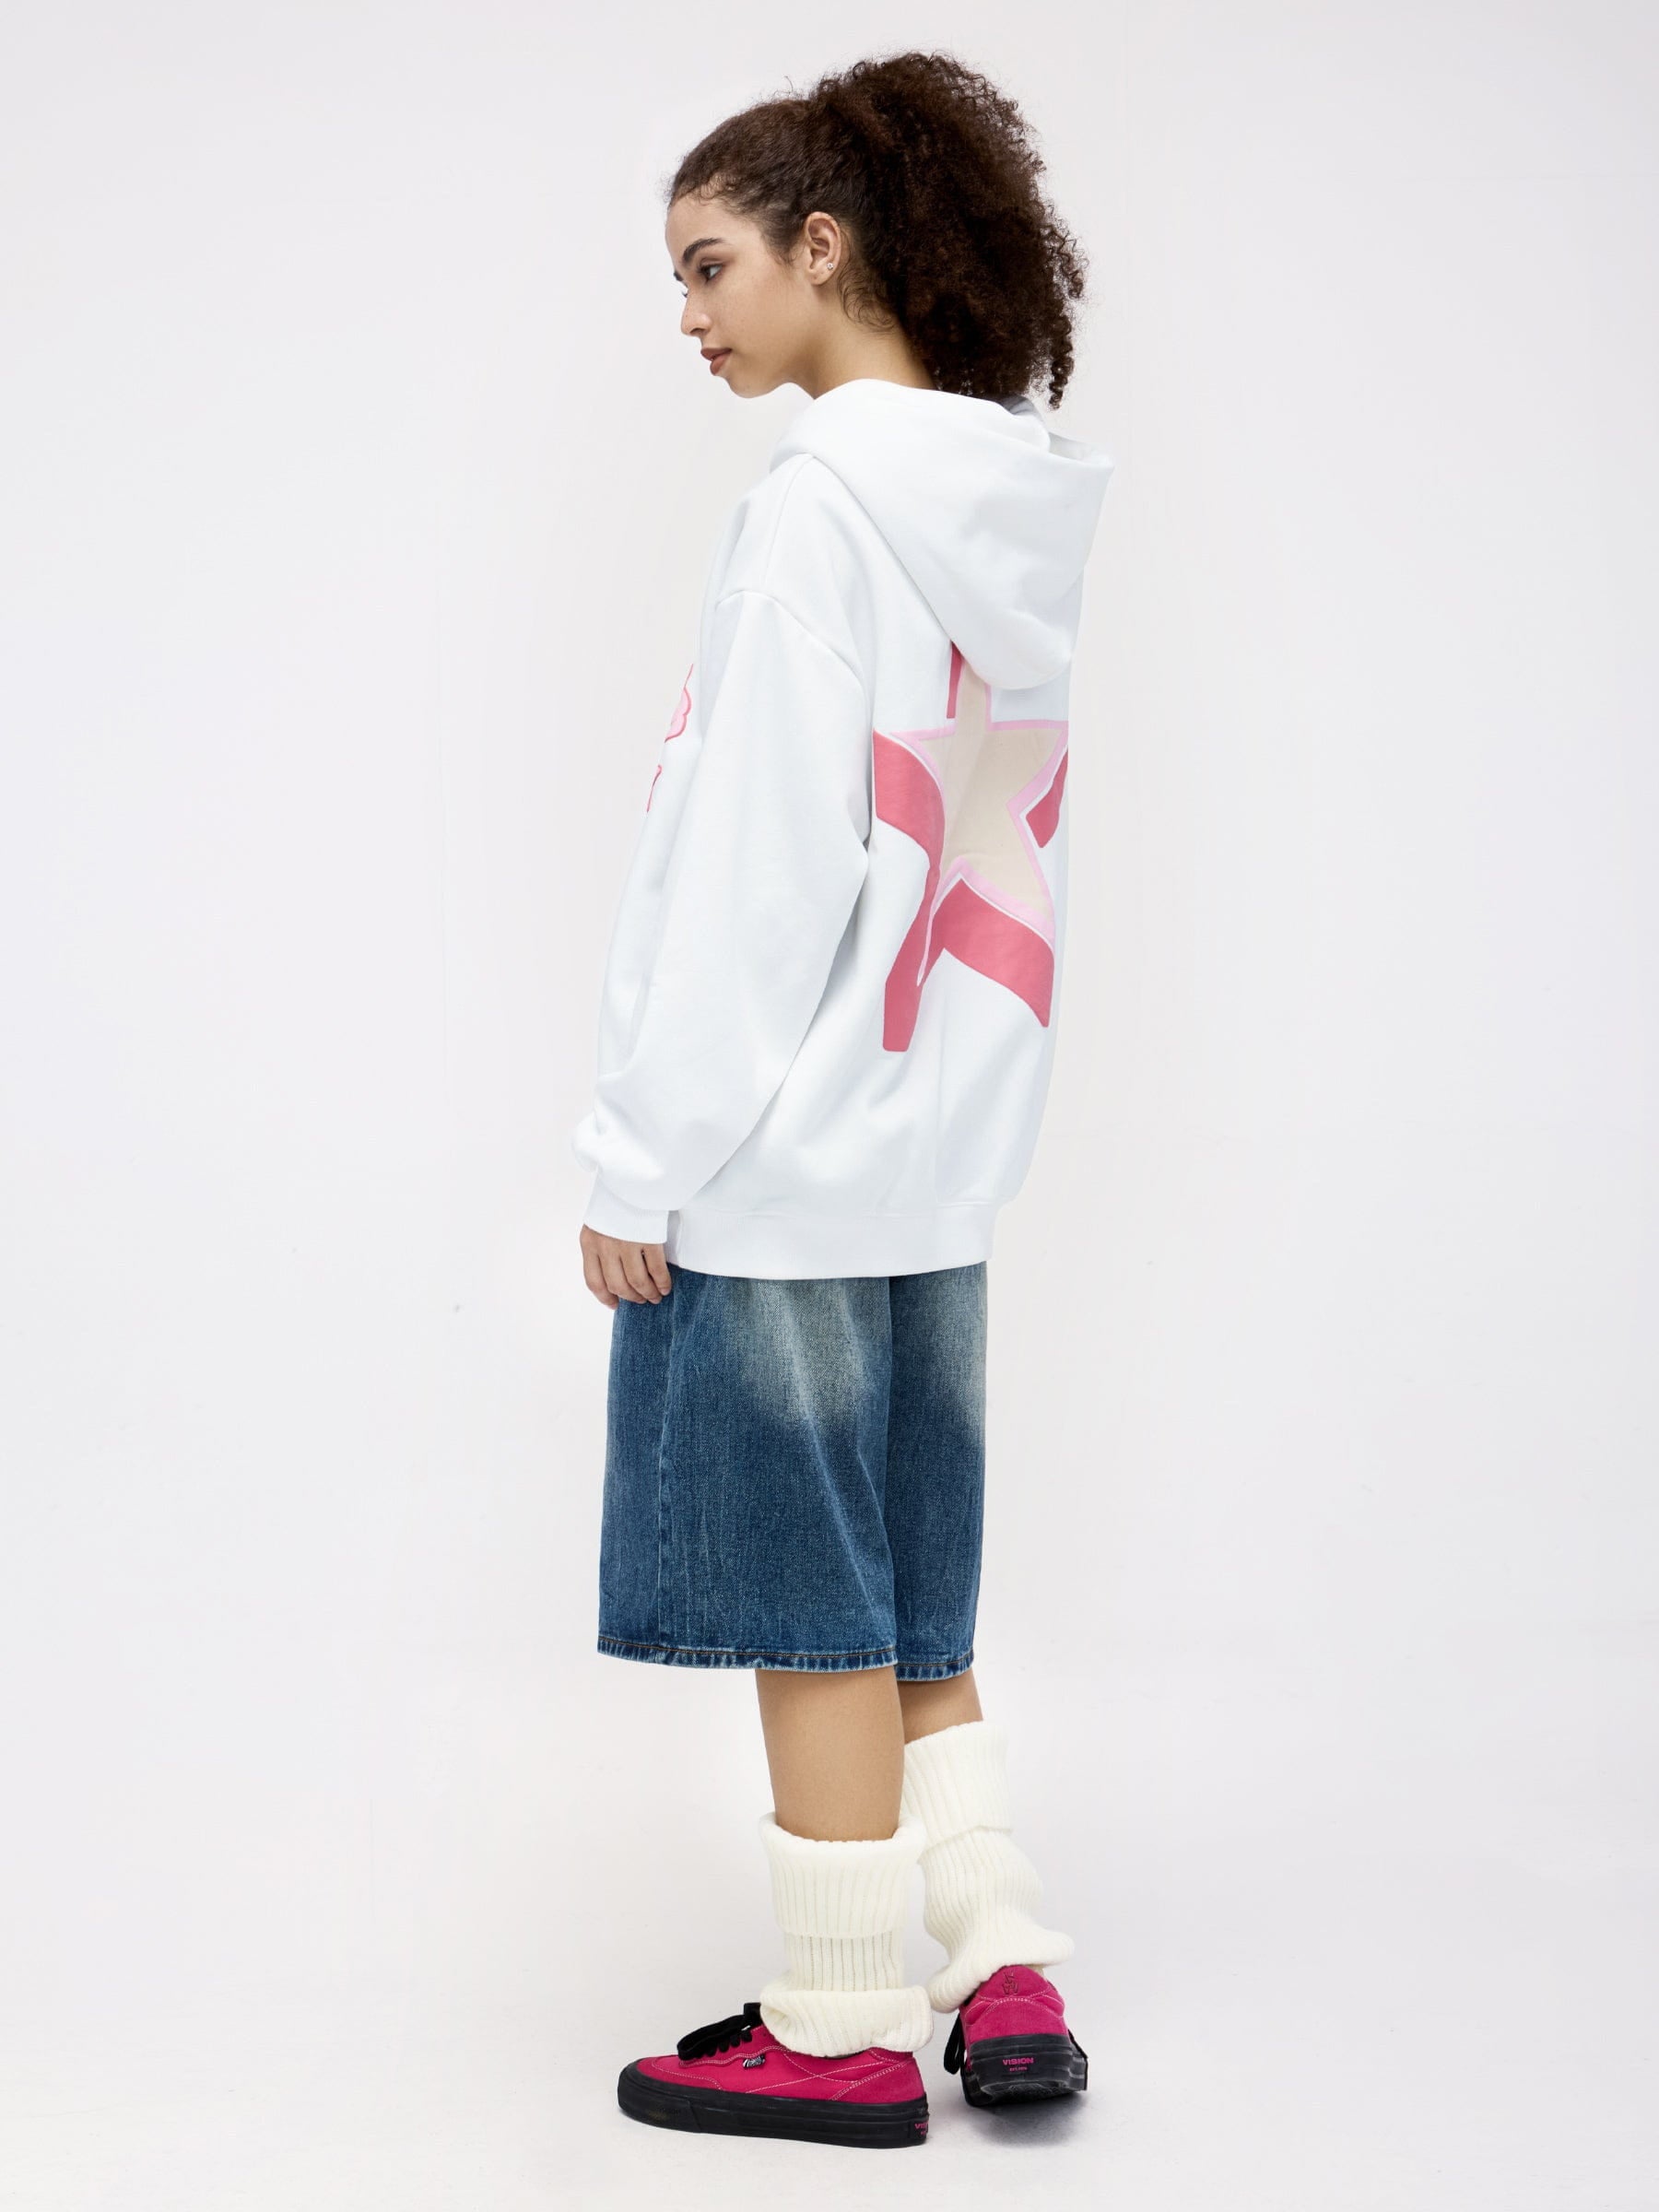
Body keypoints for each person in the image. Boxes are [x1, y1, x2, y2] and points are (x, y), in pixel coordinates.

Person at [570, 48, 1114, 2151]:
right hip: (936, 1158)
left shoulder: (817, 515)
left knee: (811, 1606)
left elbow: (756, 870)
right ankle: (998, 1954)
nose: (688, 313)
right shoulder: (1004, 517)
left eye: (712, 263)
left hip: (788, 1157)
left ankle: (834, 2025)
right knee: (911, 1598)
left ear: (828, 245)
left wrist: (641, 1154)